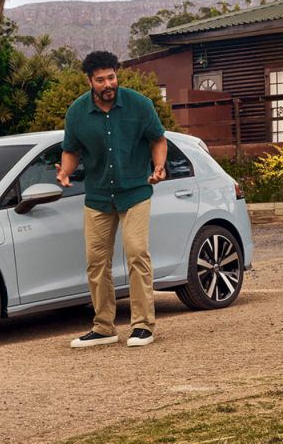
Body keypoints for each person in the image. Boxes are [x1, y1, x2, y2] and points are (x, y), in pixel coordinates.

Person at [56, 51, 167, 348]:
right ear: (90, 81)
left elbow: (158, 138)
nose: (108, 83)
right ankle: (104, 327)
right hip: (98, 196)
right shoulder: (77, 112)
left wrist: (158, 166)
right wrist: (65, 173)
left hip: (135, 191)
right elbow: (71, 150)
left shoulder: (139, 105)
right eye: (101, 79)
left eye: (112, 77)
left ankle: (143, 325)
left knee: (136, 253)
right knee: (95, 261)